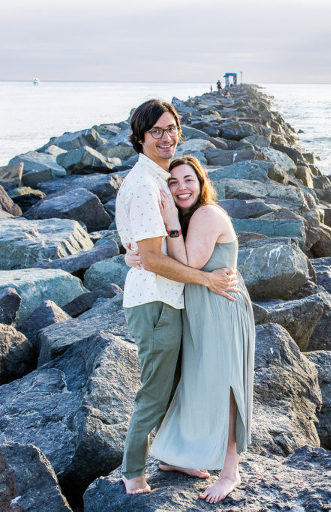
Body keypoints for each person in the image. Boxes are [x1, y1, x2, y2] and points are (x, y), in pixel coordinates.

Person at [115, 99, 238, 495]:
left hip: (169, 300)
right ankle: (133, 473)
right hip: (155, 302)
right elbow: (152, 258)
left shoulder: (161, 180)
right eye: (156, 132)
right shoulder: (145, 185)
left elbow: (152, 248)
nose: (166, 138)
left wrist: (137, 251)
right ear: (140, 138)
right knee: (155, 390)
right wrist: (206, 281)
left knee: (176, 385)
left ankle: (173, 457)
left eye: (171, 129)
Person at [125, 156, 255, 504]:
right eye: (173, 182)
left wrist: (169, 221)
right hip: (199, 309)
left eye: (189, 180)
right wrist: (133, 256)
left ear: (201, 184)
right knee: (195, 384)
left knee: (224, 385)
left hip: (220, 308)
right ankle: (178, 458)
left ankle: (230, 473)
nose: (181, 187)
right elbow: (155, 255)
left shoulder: (206, 214)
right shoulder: (188, 219)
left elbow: (189, 264)